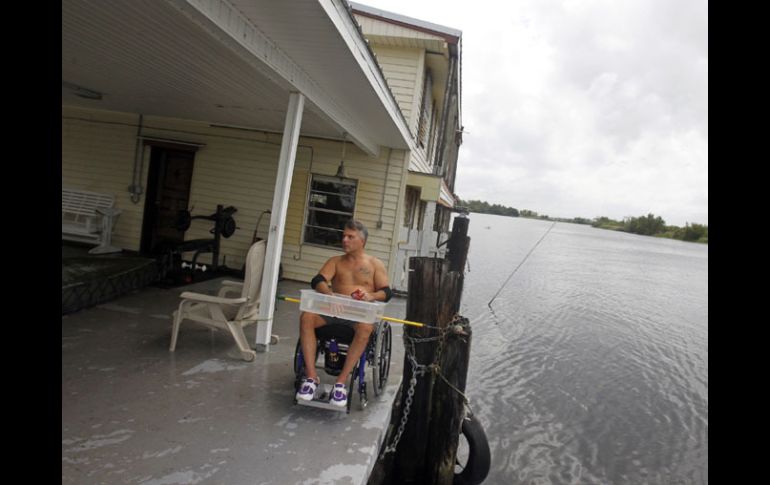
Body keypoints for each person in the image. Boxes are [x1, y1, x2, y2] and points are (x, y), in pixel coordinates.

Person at [295, 219, 393, 407]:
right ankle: (311, 378)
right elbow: (317, 280)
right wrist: (329, 294)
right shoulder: (335, 262)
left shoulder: (375, 264)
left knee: (366, 328)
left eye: (350, 237)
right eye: (343, 236)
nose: (344, 240)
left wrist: (371, 295)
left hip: (359, 315)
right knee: (306, 317)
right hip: (333, 311)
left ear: (362, 241)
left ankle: (340, 383)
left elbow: (387, 293)